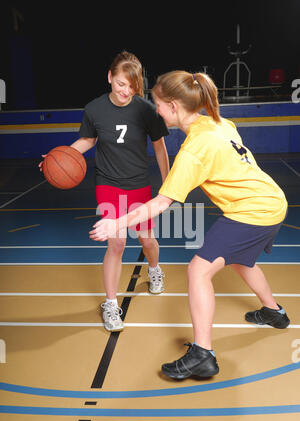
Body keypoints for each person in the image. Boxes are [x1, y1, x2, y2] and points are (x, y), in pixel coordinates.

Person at [89, 70, 290, 380]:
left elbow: (160, 203)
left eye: (157, 103)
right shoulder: (218, 122)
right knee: (238, 260)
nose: (155, 110)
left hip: (250, 212)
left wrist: (116, 221)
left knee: (198, 270)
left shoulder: (194, 149)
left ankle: (203, 354)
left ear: (172, 105)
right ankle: (274, 312)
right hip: (272, 201)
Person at [40, 51, 170, 333]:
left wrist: (168, 183)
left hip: (139, 184)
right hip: (108, 184)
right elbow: (87, 140)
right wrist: (55, 158)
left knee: (147, 240)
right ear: (110, 77)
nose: (126, 91)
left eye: (132, 86)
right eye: (121, 83)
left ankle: (155, 270)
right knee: (117, 243)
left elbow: (159, 147)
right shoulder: (94, 109)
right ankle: (111, 304)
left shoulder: (146, 110)